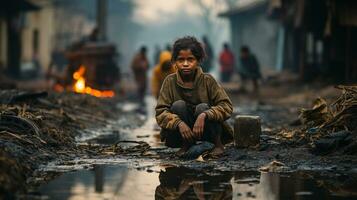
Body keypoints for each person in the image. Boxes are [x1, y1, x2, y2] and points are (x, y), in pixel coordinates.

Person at [155, 36, 233, 157]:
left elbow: (227, 106)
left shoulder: (208, 80)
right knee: (178, 105)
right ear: (175, 61)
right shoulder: (170, 81)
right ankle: (186, 145)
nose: (185, 64)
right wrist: (178, 123)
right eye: (181, 60)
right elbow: (160, 112)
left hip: (207, 130)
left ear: (198, 60)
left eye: (190, 59)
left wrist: (205, 115)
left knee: (202, 108)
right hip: (182, 133)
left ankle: (218, 145)